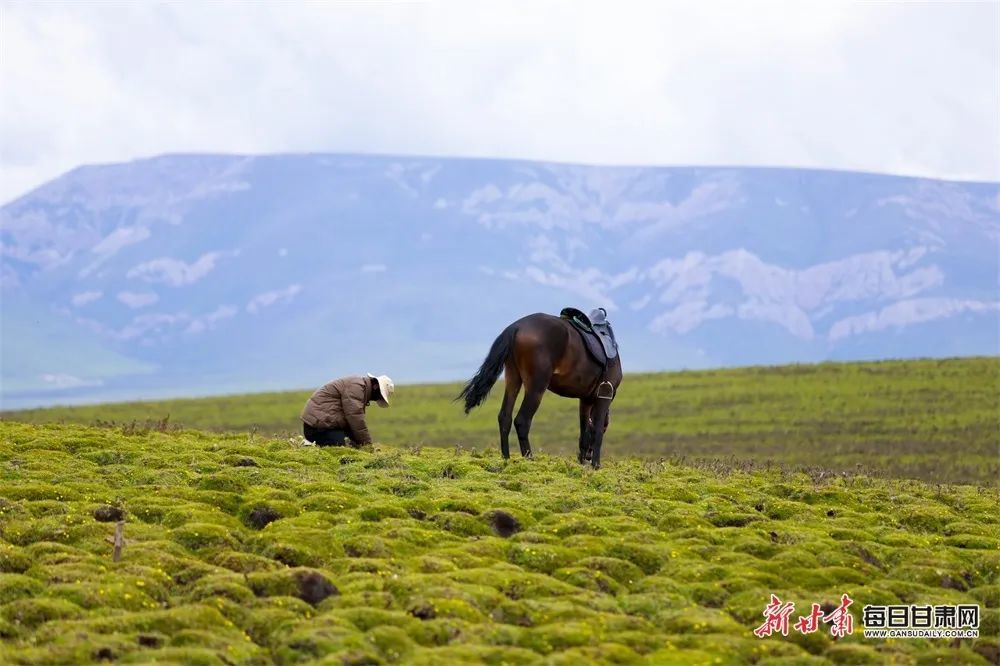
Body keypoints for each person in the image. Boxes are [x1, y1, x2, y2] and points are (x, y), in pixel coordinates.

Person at [300, 373, 394, 446]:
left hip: (325, 426)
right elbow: (355, 419)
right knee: (349, 447)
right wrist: (368, 445)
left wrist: (362, 443)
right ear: (376, 387)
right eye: (379, 396)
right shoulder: (356, 387)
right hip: (317, 428)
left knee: (355, 445)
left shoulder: (359, 387)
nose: (376, 399)